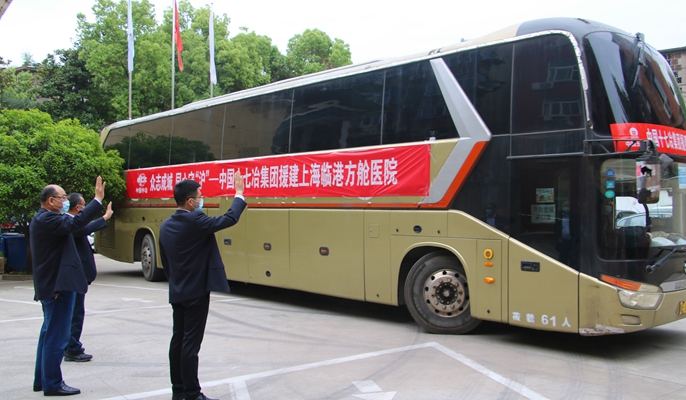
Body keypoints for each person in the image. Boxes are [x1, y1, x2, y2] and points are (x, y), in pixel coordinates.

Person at [159, 173, 246, 400]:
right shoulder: (195, 220)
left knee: (178, 340)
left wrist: (176, 282)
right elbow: (229, 219)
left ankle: (178, 390)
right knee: (191, 344)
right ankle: (192, 393)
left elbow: (165, 261)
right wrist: (239, 195)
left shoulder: (166, 225)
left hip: (177, 290)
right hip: (196, 291)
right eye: (199, 197)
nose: (201, 200)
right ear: (190, 201)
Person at [31, 177, 105, 396]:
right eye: (62, 197)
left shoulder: (45, 218)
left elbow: (74, 224)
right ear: (51, 201)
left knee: (49, 334)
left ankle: (42, 380)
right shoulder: (49, 219)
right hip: (58, 286)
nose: (66, 201)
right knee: (57, 336)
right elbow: (75, 223)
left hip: (53, 284)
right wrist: (97, 201)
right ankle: (53, 383)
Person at [63, 193, 113, 363]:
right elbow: (83, 229)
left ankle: (69, 345)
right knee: (75, 313)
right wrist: (104, 217)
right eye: (84, 206)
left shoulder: (67, 222)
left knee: (74, 312)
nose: (84, 209)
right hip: (75, 276)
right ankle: (72, 348)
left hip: (78, 275)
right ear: (78, 207)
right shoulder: (68, 222)